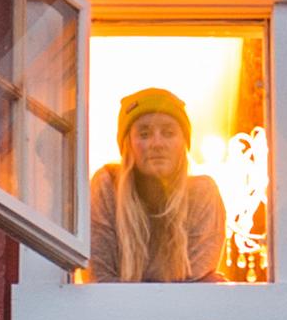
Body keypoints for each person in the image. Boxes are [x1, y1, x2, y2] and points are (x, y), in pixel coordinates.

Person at [87, 86, 228, 283]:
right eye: (144, 134)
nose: (157, 143)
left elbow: (195, 286)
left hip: (186, 313)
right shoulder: (107, 186)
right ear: (128, 145)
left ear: (183, 144)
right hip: (118, 313)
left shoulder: (202, 193)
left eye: (169, 133)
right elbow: (100, 279)